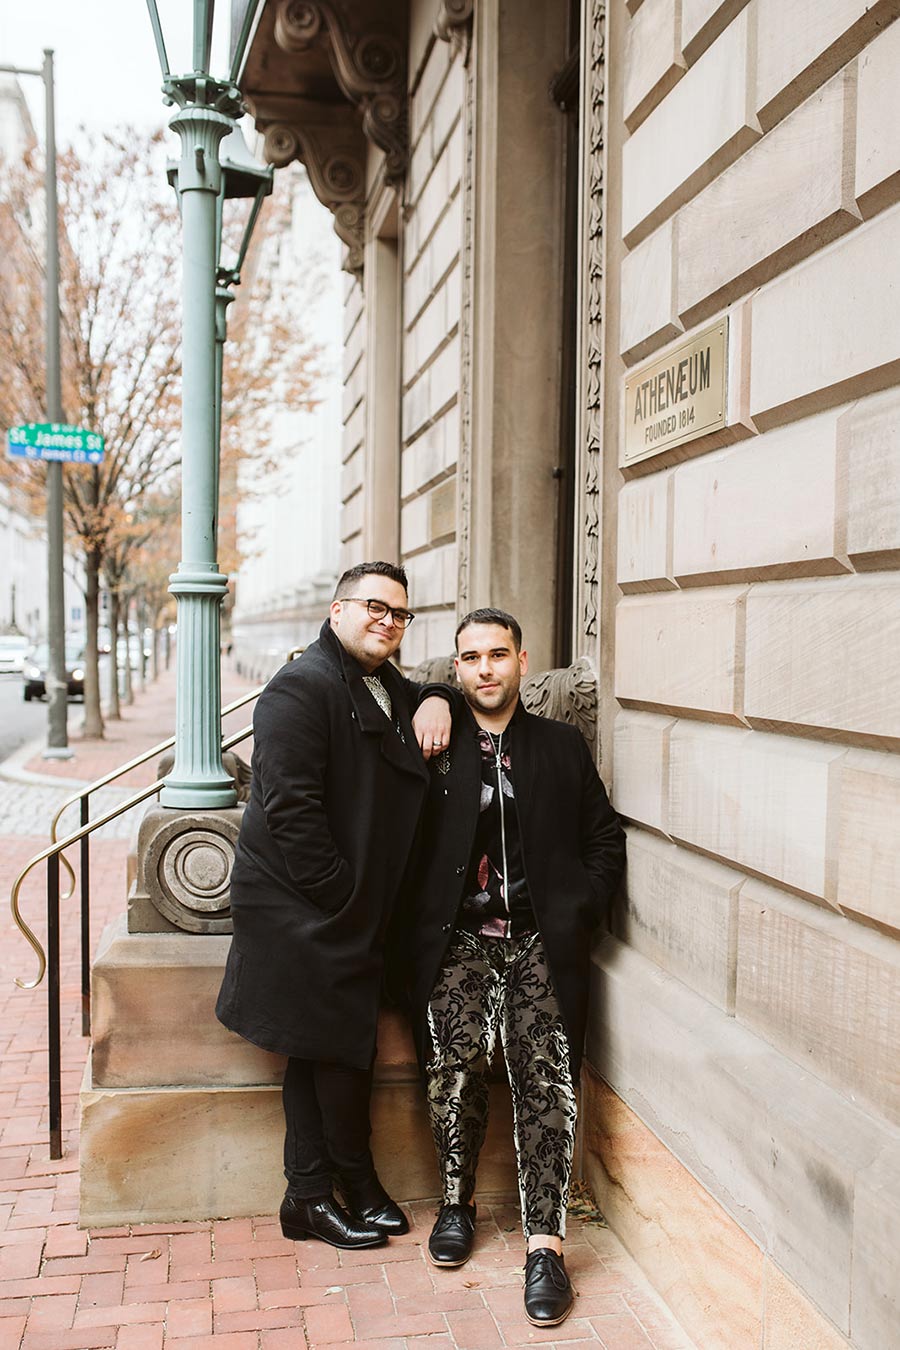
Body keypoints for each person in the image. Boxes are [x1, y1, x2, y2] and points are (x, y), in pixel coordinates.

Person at [216, 562, 451, 1250]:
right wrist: (344, 899)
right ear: (338, 609)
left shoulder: (380, 682)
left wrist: (435, 694)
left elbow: (423, 689)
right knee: (333, 1045)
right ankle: (325, 1190)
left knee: (324, 1047)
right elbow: (291, 810)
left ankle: (320, 1193)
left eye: (400, 614)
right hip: (301, 903)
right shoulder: (301, 686)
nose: (388, 621)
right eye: (375, 607)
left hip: (340, 904)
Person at [402, 607, 626, 1326]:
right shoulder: (434, 744)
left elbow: (603, 836)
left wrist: (580, 909)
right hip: (457, 942)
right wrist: (430, 698)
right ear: (456, 668)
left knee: (546, 1073)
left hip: (541, 941)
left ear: (523, 662)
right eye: (471, 658)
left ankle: (545, 1247)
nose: (487, 668)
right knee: (454, 1067)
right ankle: (456, 1204)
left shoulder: (560, 746)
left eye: (499, 655)